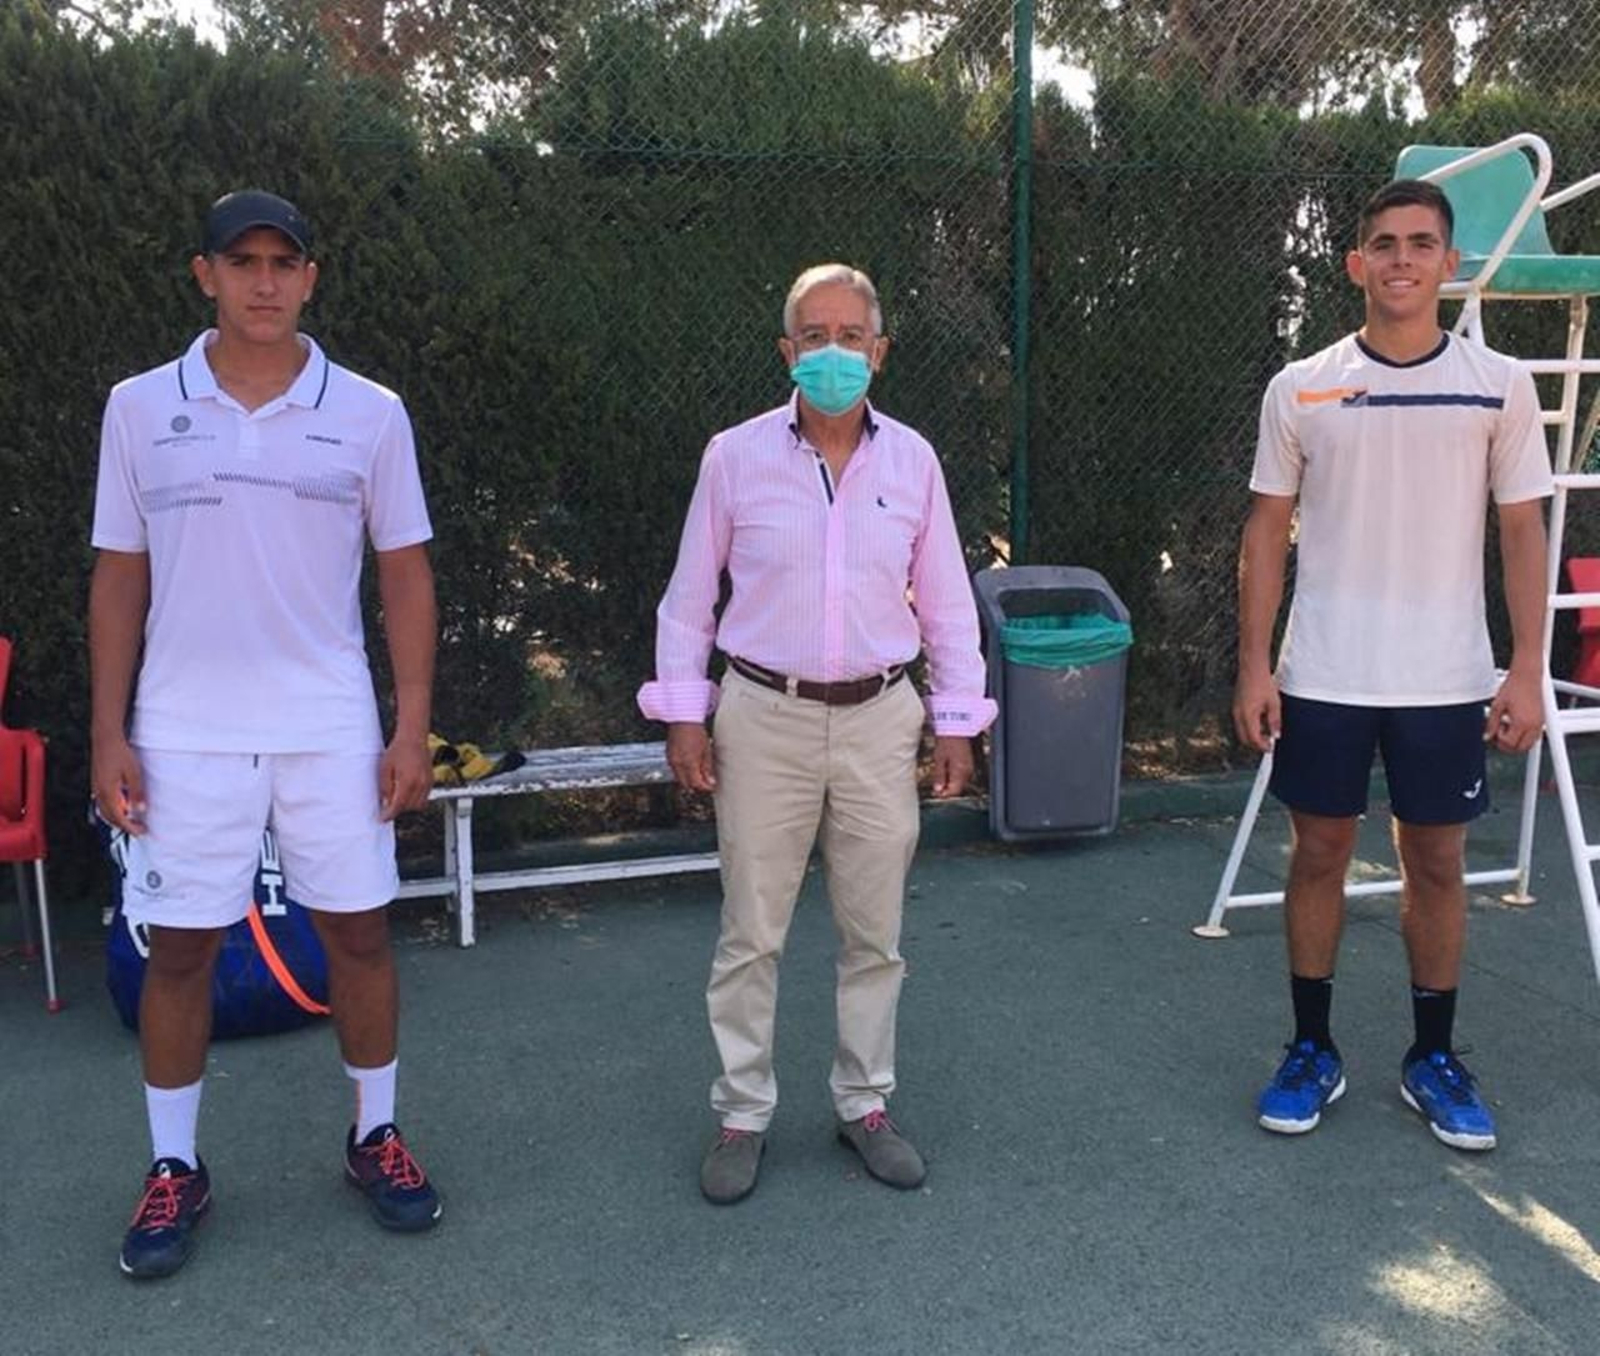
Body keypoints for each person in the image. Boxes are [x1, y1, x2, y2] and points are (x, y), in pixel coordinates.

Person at [90, 190, 443, 1280]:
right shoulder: (140, 408)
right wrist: (109, 729)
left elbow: (404, 570)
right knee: (182, 949)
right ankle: (173, 1167)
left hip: (331, 726)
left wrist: (411, 723)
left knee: (360, 940)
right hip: (182, 734)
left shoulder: (372, 411)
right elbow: (118, 573)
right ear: (204, 273)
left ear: (311, 275)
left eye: (283, 263)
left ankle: (373, 1135)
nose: (263, 282)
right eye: (241, 261)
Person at [639, 263, 996, 1203]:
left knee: (874, 934)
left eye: (851, 336)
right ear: (785, 351)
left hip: (883, 718)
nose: (832, 353)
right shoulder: (735, 457)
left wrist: (956, 719)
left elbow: (951, 603)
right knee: (751, 933)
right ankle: (741, 1113)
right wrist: (685, 712)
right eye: (813, 335)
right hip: (762, 717)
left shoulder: (914, 462)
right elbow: (688, 599)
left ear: (879, 351)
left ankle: (863, 1104)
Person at [1233, 178, 1552, 1151]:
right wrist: (1255, 665)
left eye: (1421, 243)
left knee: (1438, 863)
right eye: (1384, 243)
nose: (1401, 258)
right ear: (1356, 264)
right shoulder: (1302, 384)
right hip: (1323, 673)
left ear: (1448, 265)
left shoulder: (1501, 385)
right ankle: (1311, 1048)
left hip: (1447, 679)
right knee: (1320, 855)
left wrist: (1525, 666)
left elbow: (1522, 533)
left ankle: (1432, 1059)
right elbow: (1264, 532)